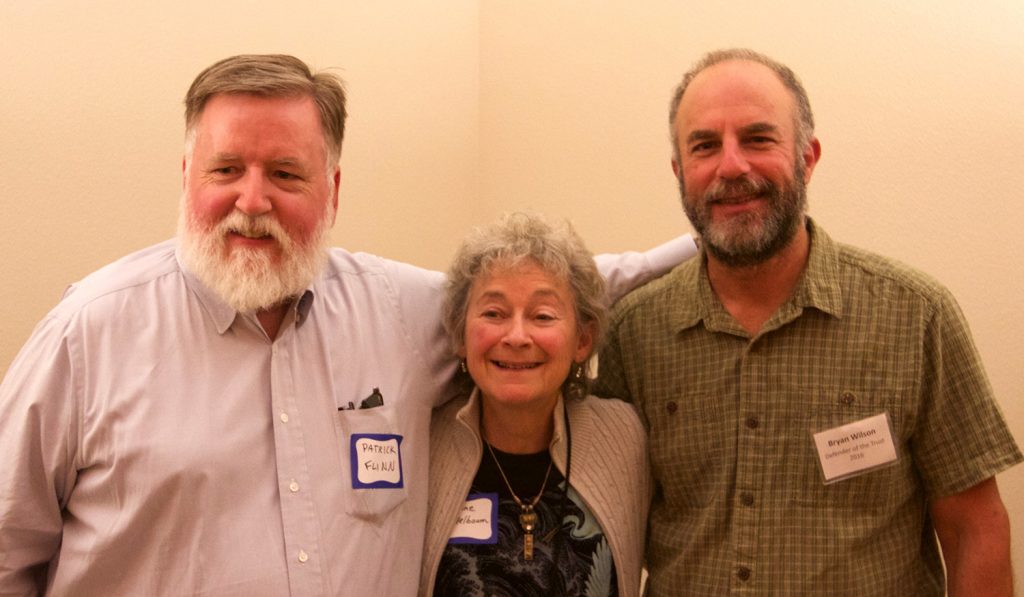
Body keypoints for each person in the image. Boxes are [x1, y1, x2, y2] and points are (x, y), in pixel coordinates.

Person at [0, 55, 698, 596]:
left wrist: (715, 236)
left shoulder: (396, 312)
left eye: (284, 173)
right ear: (186, 175)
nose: (252, 199)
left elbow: (555, 291)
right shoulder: (87, 335)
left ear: (332, 189)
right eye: (226, 168)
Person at [594, 48, 1022, 596]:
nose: (731, 166)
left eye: (758, 139)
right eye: (705, 146)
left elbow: (974, 529)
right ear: (680, 172)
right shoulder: (633, 333)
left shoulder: (916, 316)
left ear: (808, 157)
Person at [420, 212, 649, 596]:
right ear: (460, 333)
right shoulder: (425, 441)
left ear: (582, 340)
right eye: (494, 313)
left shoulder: (625, 438)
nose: (517, 335)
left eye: (542, 315)